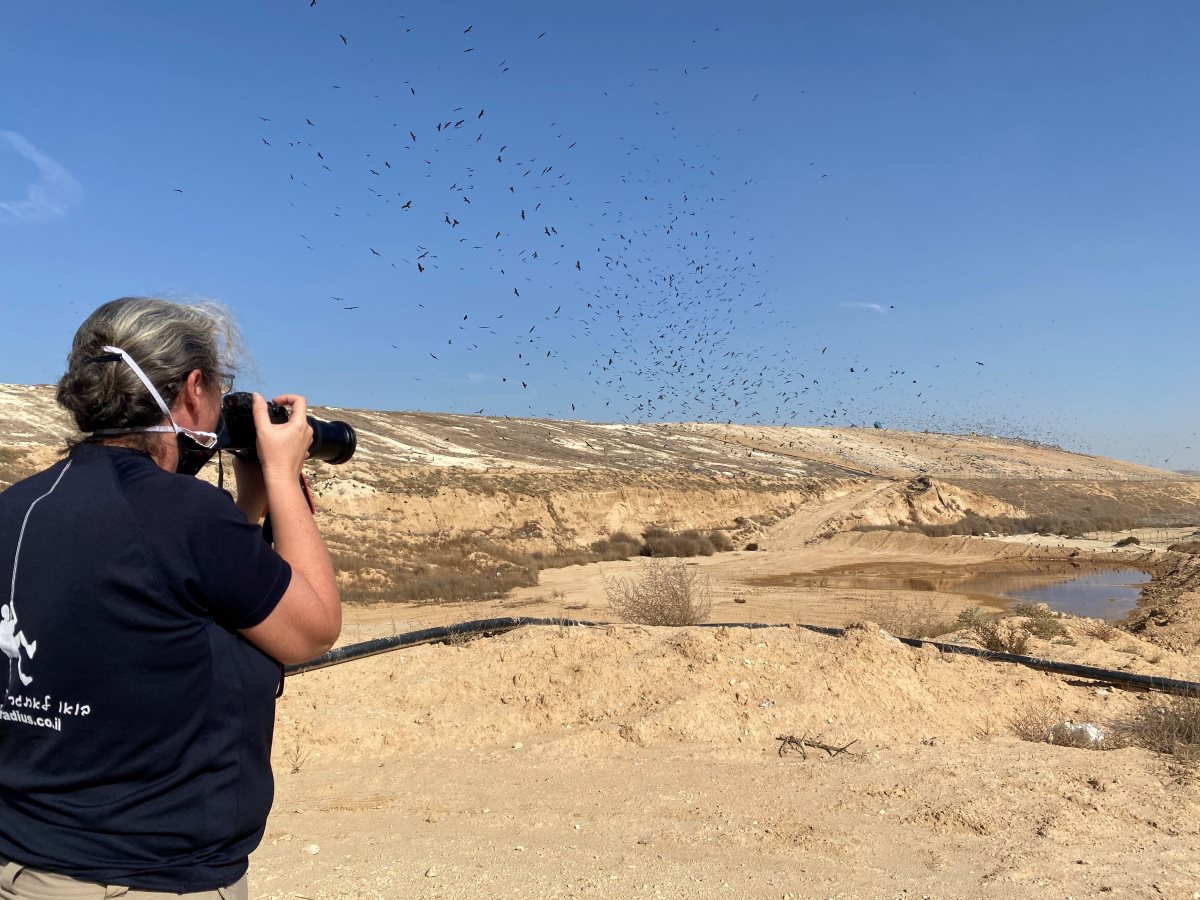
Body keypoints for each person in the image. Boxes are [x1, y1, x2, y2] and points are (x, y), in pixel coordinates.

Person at [0, 297, 342, 898]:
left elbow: (173, 595)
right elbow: (312, 628)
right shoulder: (186, 515)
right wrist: (284, 476)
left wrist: (250, 507)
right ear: (192, 389)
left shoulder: (20, 504)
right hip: (146, 876)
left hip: (21, 861)